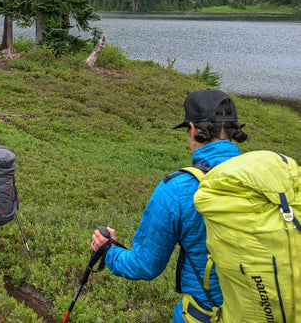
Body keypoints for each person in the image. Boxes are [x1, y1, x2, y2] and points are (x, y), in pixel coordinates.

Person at [91, 89, 248, 323]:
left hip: (206, 315)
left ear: (194, 129)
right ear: (234, 131)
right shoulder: (270, 181)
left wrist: (108, 250)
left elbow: (144, 266)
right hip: (275, 311)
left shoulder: (177, 189)